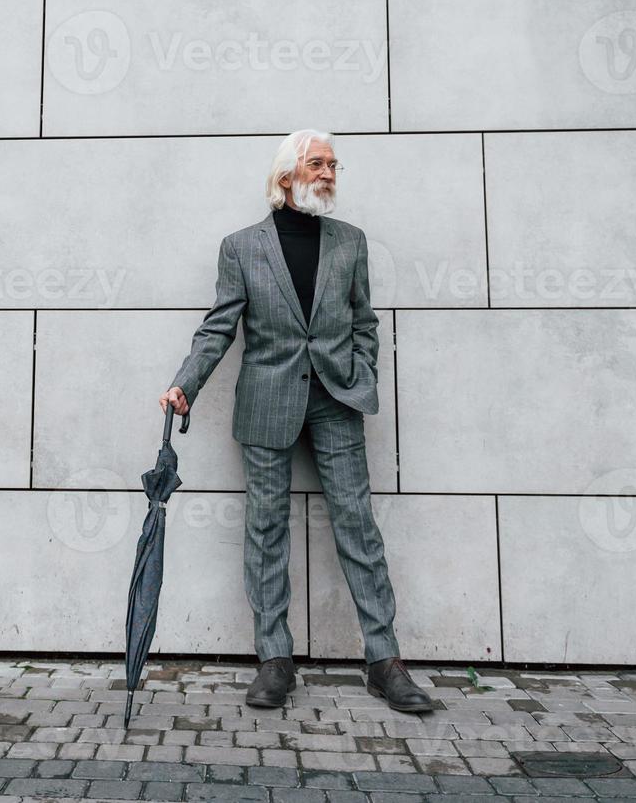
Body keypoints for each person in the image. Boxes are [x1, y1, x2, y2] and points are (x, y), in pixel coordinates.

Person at [159, 129, 432, 713]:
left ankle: (384, 661)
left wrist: (362, 379)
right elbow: (219, 326)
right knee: (265, 529)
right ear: (287, 175)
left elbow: (364, 322)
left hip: (336, 399)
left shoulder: (350, 243)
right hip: (267, 400)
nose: (329, 173)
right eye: (317, 163)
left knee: (358, 525)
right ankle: (274, 659)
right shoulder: (241, 247)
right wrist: (187, 383)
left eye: (334, 164)